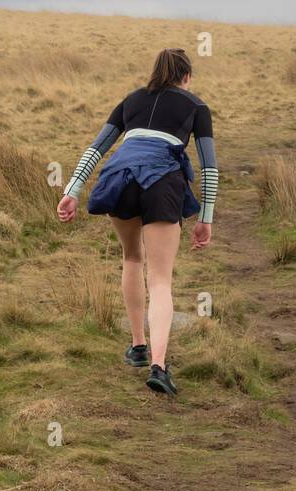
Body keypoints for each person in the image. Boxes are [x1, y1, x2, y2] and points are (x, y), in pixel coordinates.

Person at [56, 48, 217, 395]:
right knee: (160, 281)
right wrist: (206, 217)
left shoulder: (130, 100)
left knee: (131, 257)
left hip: (118, 176)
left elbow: (95, 149)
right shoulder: (196, 106)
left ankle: (138, 345)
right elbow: (209, 167)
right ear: (186, 77)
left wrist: (72, 190)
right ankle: (158, 366)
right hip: (162, 180)